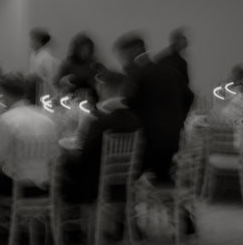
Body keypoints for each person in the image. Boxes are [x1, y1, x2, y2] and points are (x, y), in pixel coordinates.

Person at [115, 32, 193, 183]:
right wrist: (178, 120)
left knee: (110, 167)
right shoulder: (170, 72)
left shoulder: (137, 75)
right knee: (162, 175)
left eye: (124, 55)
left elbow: (125, 106)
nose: (122, 61)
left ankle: (122, 203)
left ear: (136, 51)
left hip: (145, 147)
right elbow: (190, 97)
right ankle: (166, 197)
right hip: (172, 143)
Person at [61, 71, 142, 207]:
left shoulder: (98, 119)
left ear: (102, 88)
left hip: (95, 183)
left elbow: (85, 155)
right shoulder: (135, 120)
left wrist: (67, 153)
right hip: (125, 183)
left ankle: (71, 223)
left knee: (61, 167)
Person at [0, 73, 58, 196]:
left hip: (17, 186)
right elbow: (53, 155)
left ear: (3, 93)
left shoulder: (7, 119)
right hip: (44, 185)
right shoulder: (47, 118)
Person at [57, 32, 103, 103]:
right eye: (83, 50)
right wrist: (65, 82)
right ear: (77, 50)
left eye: (88, 49)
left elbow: (97, 83)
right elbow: (58, 81)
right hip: (70, 96)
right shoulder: (68, 63)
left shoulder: (93, 63)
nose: (86, 52)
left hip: (88, 97)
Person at [28, 28, 61, 101]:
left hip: (45, 90)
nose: (31, 42)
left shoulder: (47, 57)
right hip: (34, 88)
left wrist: (39, 77)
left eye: (33, 39)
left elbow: (50, 77)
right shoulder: (33, 55)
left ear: (39, 41)